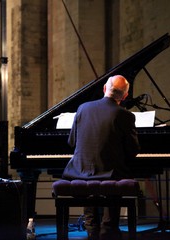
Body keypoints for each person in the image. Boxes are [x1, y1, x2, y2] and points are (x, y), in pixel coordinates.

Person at [62, 75, 140, 240]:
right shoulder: (125, 115)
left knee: (91, 176)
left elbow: (72, 142)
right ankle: (108, 228)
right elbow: (132, 151)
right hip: (110, 173)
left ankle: (92, 229)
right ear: (125, 96)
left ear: (104, 88)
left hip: (80, 172)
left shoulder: (83, 108)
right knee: (115, 172)